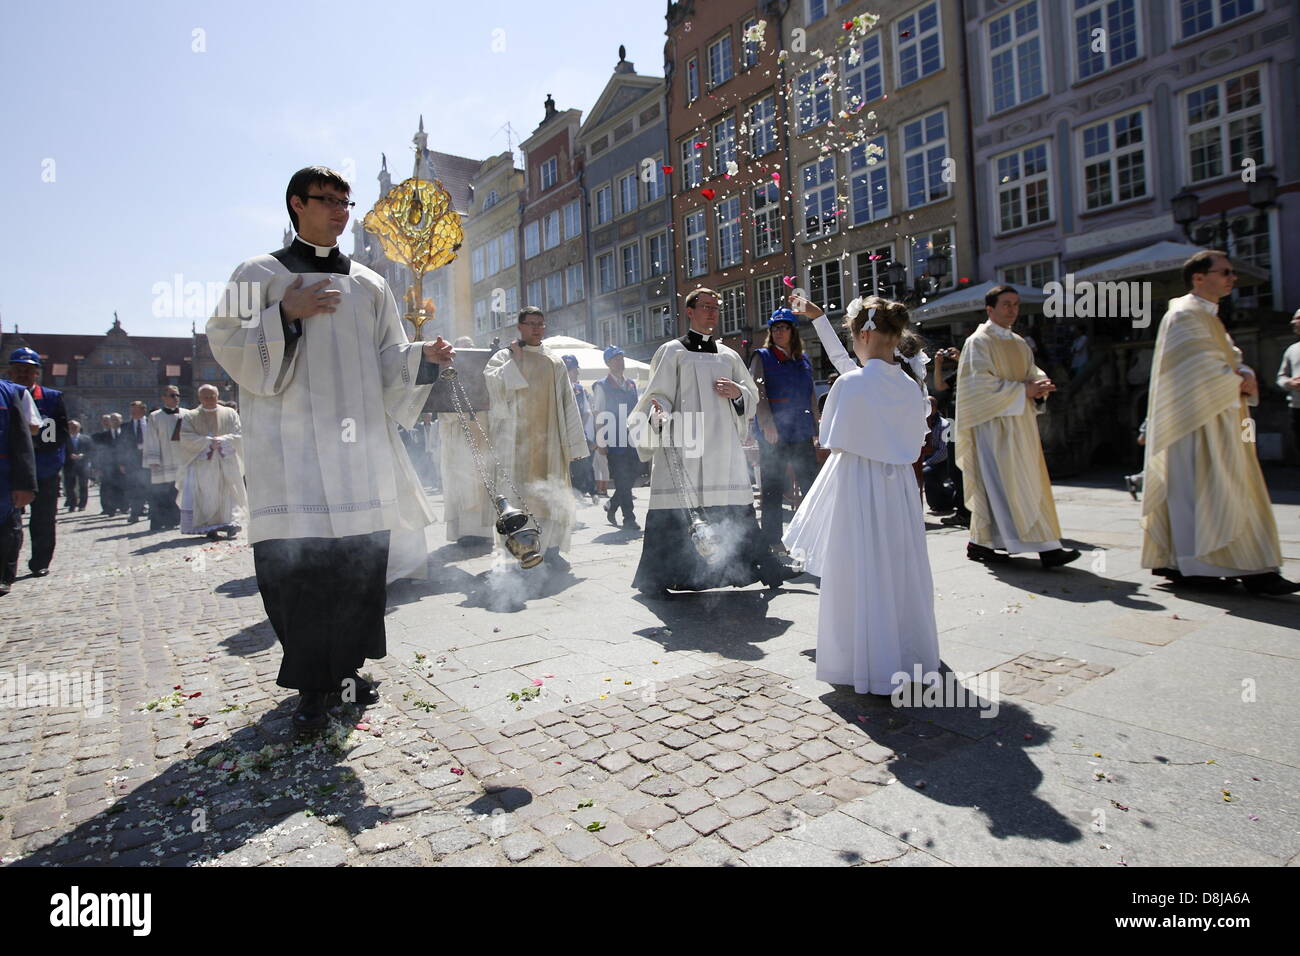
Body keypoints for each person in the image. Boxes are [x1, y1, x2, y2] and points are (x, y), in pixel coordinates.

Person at [206, 165, 454, 732]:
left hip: (356, 459)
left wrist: (423, 359)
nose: (341, 211)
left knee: (357, 572)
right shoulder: (259, 273)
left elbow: (389, 358)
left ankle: (345, 672)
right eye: (327, 201)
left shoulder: (370, 284)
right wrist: (284, 316)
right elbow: (224, 340)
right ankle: (312, 692)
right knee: (299, 575)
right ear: (297, 204)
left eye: (346, 201)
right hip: (288, 459)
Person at [784, 295, 938, 694]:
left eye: (851, 334)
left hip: (858, 485)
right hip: (900, 490)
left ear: (865, 333)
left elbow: (832, 438)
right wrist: (819, 320)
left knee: (859, 567)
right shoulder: (910, 385)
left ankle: (861, 659)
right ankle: (906, 654)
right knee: (899, 568)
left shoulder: (850, 386)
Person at [1141, 251, 1298, 595]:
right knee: (1214, 491)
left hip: (1222, 418)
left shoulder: (1208, 317)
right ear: (1198, 278)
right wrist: (1234, 379)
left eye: (1232, 272)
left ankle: (1195, 565)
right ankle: (1233, 568)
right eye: (1224, 272)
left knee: (1222, 490)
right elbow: (1190, 371)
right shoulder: (1184, 314)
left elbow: (1229, 359)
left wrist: (1244, 373)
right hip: (1197, 422)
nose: (1232, 277)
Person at [631, 288, 792, 596]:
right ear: (689, 312)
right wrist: (659, 412)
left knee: (732, 509)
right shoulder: (672, 352)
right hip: (684, 445)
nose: (711, 313)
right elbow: (656, 396)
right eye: (704, 307)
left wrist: (738, 394)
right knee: (679, 509)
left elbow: (751, 396)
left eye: (716, 308)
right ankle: (664, 577)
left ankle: (741, 569)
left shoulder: (728, 356)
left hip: (721, 449)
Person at [955, 285, 1080, 569]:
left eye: (1016, 304)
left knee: (1026, 483)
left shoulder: (1019, 342)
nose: (1013, 309)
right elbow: (977, 387)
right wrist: (1023, 390)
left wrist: (1040, 385)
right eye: (1006, 304)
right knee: (1002, 486)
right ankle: (1046, 548)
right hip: (992, 427)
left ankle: (982, 543)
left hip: (1020, 424)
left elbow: (1031, 372)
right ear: (990, 309)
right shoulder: (978, 342)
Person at [483, 307, 588, 560]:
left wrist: (574, 445)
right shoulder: (504, 356)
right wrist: (516, 361)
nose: (537, 328)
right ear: (519, 327)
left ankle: (550, 546)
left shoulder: (554, 361)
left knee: (550, 492)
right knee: (517, 490)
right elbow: (493, 387)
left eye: (541, 324)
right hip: (515, 440)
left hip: (549, 439)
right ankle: (517, 545)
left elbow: (567, 403)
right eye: (531, 323)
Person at [749, 308, 819, 549]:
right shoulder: (762, 356)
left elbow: (810, 395)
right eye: (775, 328)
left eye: (783, 327)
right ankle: (772, 542)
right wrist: (767, 423)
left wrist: (816, 427)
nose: (778, 332)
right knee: (772, 488)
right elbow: (758, 392)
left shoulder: (803, 359)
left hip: (801, 430)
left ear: (793, 331)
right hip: (773, 434)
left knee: (811, 486)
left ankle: (813, 538)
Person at [7, 348, 67, 577]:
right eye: (18, 369)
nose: (23, 374)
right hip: (11, 470)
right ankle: (7, 566)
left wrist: (44, 450)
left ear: (36, 374)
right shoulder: (5, 394)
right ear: (10, 372)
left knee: (43, 518)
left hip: (44, 468)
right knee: (9, 521)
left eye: (28, 370)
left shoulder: (52, 397)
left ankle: (40, 561)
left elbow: (60, 432)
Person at [439, 336, 497, 545]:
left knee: (482, 482)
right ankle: (464, 533)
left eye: (470, 349)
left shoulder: (484, 374)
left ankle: (482, 532)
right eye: (462, 350)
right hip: (458, 438)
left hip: (481, 431)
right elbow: (442, 408)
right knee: (462, 484)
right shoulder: (446, 376)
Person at [178, 385, 245, 539]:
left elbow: (239, 434)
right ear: (199, 398)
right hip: (204, 464)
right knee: (208, 495)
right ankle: (210, 526)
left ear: (217, 395)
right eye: (205, 397)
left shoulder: (230, 413)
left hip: (227, 461)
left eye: (212, 396)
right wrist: (207, 442)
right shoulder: (191, 416)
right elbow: (186, 437)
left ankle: (231, 524)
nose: (209, 400)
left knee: (229, 494)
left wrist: (221, 440)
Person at [593, 345, 640, 529]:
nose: (620, 362)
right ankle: (629, 517)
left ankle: (612, 504)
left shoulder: (631, 384)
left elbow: (637, 411)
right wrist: (600, 441)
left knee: (633, 475)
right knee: (621, 478)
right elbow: (598, 414)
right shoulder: (602, 386)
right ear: (608, 363)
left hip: (631, 438)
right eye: (615, 359)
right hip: (613, 439)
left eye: (621, 358)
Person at [0, 379, 37, 597]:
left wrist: (25, 482)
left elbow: (22, 438)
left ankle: (4, 575)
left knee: (6, 530)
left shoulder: (9, 392)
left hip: (3, 477)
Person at [142, 386, 184, 529]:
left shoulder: (188, 414)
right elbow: (151, 439)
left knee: (180, 491)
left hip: (182, 461)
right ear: (164, 398)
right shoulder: (155, 416)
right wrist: (153, 460)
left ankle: (179, 520)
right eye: (172, 395)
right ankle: (162, 521)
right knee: (162, 493)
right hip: (164, 461)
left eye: (177, 395)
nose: (176, 398)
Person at [563, 354, 599, 505]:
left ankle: (589, 491)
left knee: (584, 463)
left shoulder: (579, 389)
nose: (577, 373)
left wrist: (579, 428)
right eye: (573, 370)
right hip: (563, 435)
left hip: (578, 433)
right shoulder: (558, 389)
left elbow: (586, 411)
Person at [1277, 308, 1300, 461]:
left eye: (1297, 318)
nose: (1293, 322)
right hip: (1297, 408)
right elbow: (1280, 377)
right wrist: (1289, 383)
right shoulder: (1292, 350)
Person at [124, 400, 151, 524]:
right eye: (131, 411)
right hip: (133, 461)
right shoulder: (126, 426)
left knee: (152, 487)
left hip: (150, 458)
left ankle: (153, 512)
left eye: (135, 410)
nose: (133, 413)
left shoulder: (152, 423)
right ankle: (134, 513)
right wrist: (122, 462)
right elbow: (121, 446)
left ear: (143, 410)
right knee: (135, 488)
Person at [90, 414, 121, 515]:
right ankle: (108, 508)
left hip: (122, 464)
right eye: (111, 420)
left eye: (116, 420)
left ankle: (123, 506)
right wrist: (96, 467)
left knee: (123, 486)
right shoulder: (100, 436)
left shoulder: (125, 433)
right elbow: (95, 452)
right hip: (106, 466)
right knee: (106, 488)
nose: (113, 422)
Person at [63, 420, 91, 511]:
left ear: (79, 428)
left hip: (83, 465)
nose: (73, 429)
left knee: (83, 485)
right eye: (71, 427)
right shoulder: (64, 440)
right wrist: (69, 456)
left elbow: (91, 451)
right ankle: (72, 504)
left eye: (75, 427)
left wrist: (83, 455)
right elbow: (61, 452)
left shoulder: (86, 439)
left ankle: (82, 504)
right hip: (69, 465)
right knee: (69, 486)